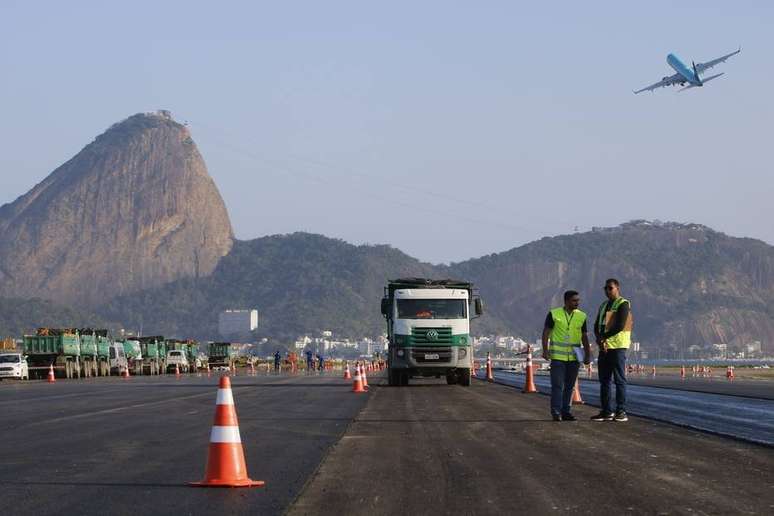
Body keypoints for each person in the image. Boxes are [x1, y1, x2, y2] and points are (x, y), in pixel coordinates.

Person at [542, 290, 591, 421]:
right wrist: (545, 350)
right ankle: (556, 412)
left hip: (575, 357)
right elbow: (546, 332)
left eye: (578, 300)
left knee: (570, 386)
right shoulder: (554, 314)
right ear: (566, 301)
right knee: (558, 386)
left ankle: (566, 412)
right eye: (574, 300)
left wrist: (587, 354)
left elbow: (584, 336)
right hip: (558, 357)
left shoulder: (582, 316)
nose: (577, 303)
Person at [591, 278, 633, 422]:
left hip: (618, 347)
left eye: (610, 288)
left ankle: (621, 411)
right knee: (604, 381)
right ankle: (606, 411)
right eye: (606, 288)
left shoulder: (623, 304)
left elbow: (620, 325)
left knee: (619, 380)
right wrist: (599, 339)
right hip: (604, 348)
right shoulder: (603, 305)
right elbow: (597, 324)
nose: (608, 291)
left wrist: (603, 337)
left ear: (617, 288)